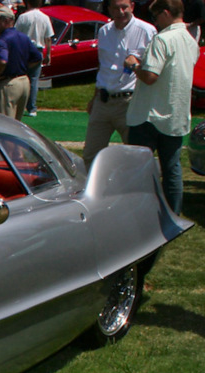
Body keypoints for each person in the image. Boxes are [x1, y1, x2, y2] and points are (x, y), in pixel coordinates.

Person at [126, 0, 198, 214]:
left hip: (150, 115)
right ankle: (172, 214)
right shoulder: (191, 39)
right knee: (172, 169)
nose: (155, 22)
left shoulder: (162, 39)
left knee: (140, 170)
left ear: (166, 13)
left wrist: (133, 65)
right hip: (176, 114)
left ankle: (141, 213)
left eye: (156, 17)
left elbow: (150, 76)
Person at [83, 0, 156, 168]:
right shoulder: (104, 31)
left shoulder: (147, 31)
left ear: (132, 6)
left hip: (129, 103)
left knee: (136, 157)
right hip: (103, 101)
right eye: (116, 8)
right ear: (109, 9)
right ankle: (96, 192)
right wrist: (94, 98)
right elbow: (103, 67)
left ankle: (136, 192)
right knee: (90, 156)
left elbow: (153, 69)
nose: (121, 11)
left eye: (124, 7)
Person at [0, 6, 42, 120]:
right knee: (17, 124)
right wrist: (23, 67)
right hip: (24, 82)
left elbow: (2, 61)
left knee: (5, 124)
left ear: (6, 21)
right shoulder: (24, 37)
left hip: (9, 84)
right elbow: (37, 58)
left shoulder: (3, 39)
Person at [15, 0, 53, 117]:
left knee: (20, 77)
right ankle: (32, 108)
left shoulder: (22, 17)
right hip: (37, 50)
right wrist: (48, 54)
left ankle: (19, 104)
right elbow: (48, 38)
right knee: (34, 80)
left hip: (24, 49)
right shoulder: (45, 18)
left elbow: (16, 34)